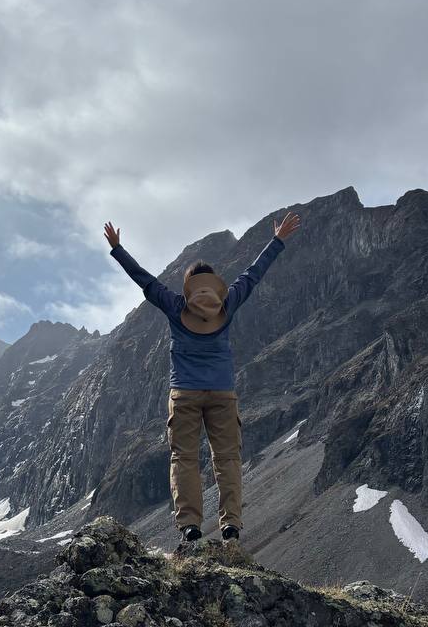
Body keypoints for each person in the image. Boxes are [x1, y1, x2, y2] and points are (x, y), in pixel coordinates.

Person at [104, 211, 301, 544]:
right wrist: (277, 240)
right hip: (223, 393)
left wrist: (118, 249)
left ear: (189, 284)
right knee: (227, 459)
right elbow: (253, 275)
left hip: (184, 393)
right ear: (213, 284)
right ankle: (231, 527)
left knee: (185, 457)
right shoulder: (228, 302)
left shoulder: (175, 305)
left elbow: (145, 280)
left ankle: (190, 527)